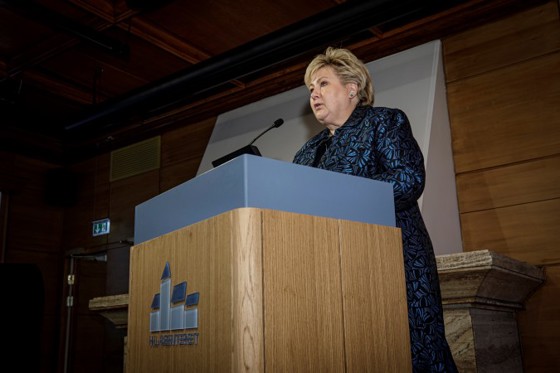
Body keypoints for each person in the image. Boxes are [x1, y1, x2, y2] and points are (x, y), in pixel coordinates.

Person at [293, 47, 458, 373]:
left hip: (396, 264)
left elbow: (408, 179)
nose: (314, 94)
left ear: (353, 87)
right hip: (333, 271)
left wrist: (340, 196)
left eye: (323, 84)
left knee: (415, 354)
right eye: (311, 89)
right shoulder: (306, 152)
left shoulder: (383, 121)